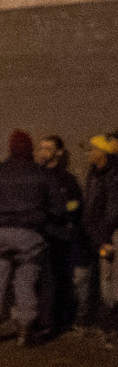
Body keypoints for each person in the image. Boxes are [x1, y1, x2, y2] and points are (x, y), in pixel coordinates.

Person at [0, 130, 65, 344]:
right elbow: (59, 209)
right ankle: (25, 330)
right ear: (29, 149)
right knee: (26, 279)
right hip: (30, 234)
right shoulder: (41, 173)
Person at [36, 134, 89, 333]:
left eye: (48, 148)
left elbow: (74, 206)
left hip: (59, 236)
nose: (44, 152)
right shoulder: (35, 175)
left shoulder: (67, 180)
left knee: (60, 278)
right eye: (41, 148)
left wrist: (63, 214)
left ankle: (59, 319)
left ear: (59, 152)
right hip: (40, 234)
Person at [84, 134, 118, 328]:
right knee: (106, 276)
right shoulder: (94, 172)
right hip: (100, 232)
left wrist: (104, 237)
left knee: (110, 276)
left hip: (109, 234)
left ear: (103, 153)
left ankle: (111, 319)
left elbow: (113, 208)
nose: (91, 152)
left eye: (95, 149)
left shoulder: (112, 175)